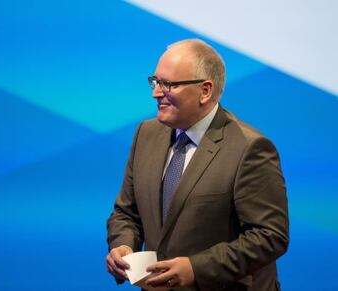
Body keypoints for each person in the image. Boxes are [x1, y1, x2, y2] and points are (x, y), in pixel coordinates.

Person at [106, 39, 289, 291]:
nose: (156, 93)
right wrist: (123, 245)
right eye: (156, 81)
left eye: (168, 84)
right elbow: (126, 213)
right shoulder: (146, 134)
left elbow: (270, 237)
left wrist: (196, 268)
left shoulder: (250, 148)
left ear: (205, 90)